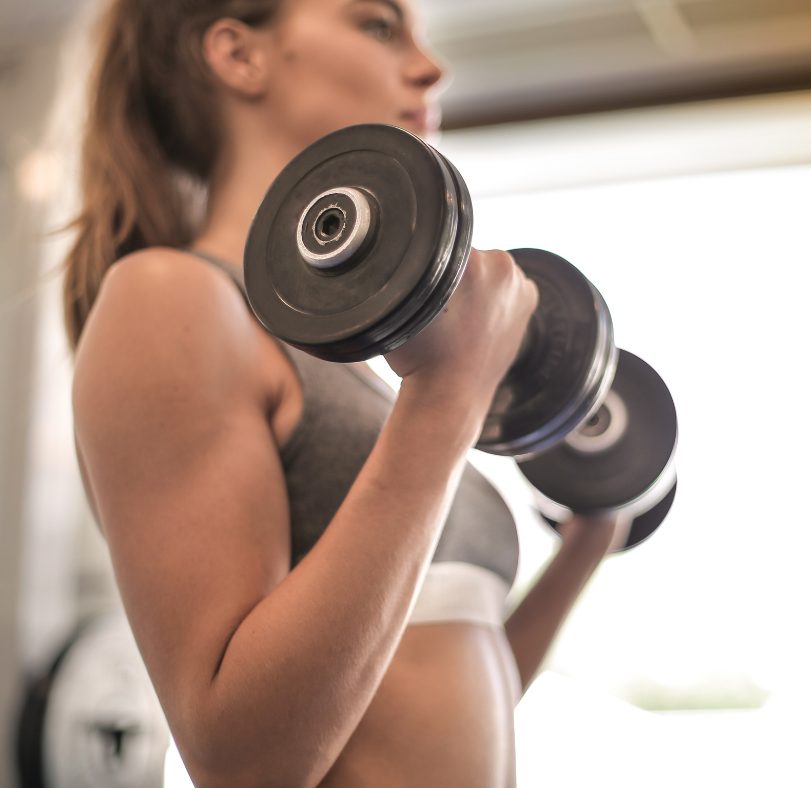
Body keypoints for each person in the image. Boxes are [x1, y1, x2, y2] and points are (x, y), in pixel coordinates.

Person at [64, 0, 629, 785]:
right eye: (377, 24)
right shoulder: (174, 298)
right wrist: (449, 397)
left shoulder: (364, 366)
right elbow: (243, 761)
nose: (430, 67)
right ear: (239, 56)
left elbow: (451, 683)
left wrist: (589, 541)